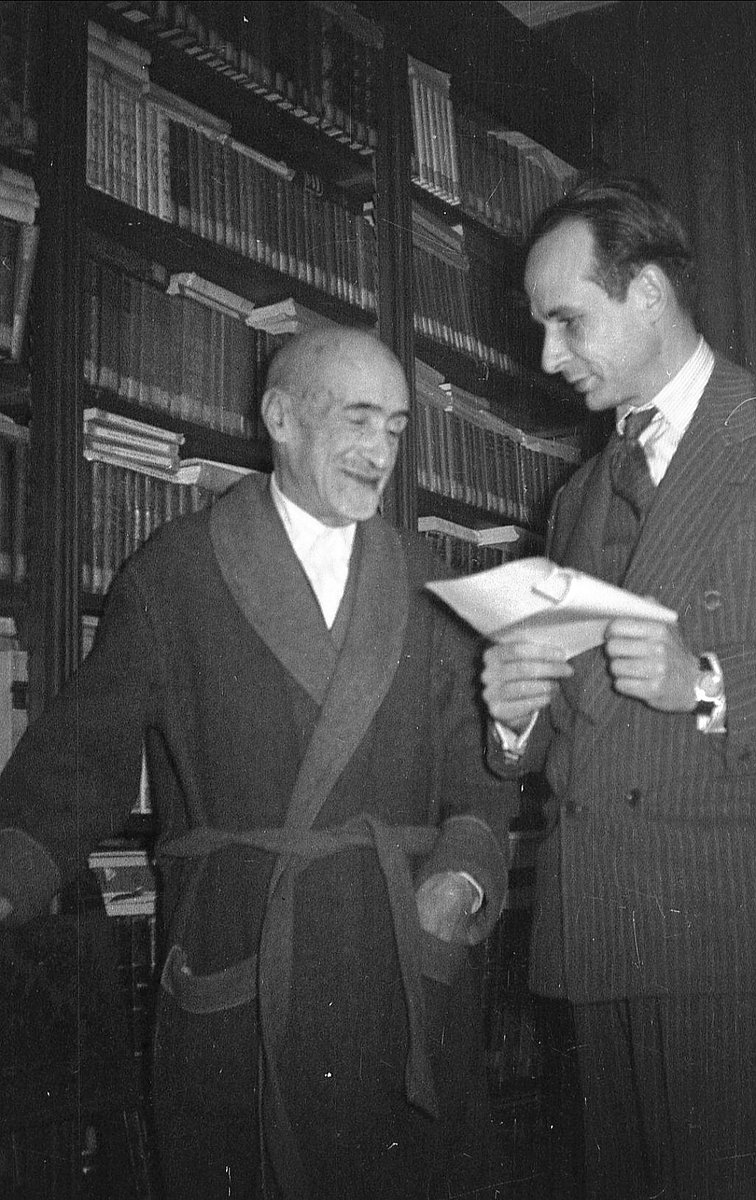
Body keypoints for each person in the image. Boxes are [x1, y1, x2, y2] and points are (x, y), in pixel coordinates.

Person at [0, 326, 514, 1199]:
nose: (381, 451)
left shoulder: (428, 583)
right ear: (280, 416)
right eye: (358, 420)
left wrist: (458, 883)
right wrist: (12, 871)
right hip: (245, 962)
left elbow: (479, 775)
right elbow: (81, 756)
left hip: (401, 964)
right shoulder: (173, 574)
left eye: (394, 427)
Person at [481, 174, 756, 1199]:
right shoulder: (578, 496)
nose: (548, 357)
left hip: (726, 929)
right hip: (597, 924)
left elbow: (692, 682)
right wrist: (515, 718)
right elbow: (568, 716)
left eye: (567, 321)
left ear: (646, 294)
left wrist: (714, 682)